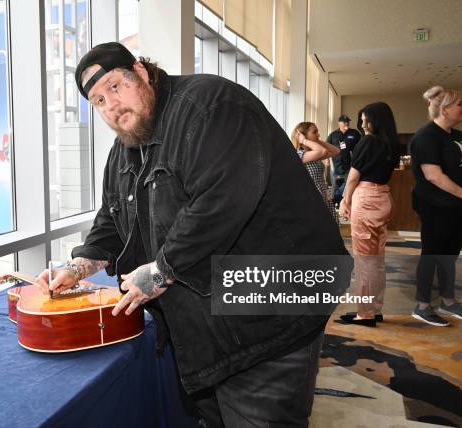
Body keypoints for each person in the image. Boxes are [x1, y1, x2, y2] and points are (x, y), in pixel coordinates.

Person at [35, 42, 349, 427]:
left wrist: (159, 271)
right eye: (99, 101)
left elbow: (221, 203)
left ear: (142, 72)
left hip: (270, 315)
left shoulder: (211, 106)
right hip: (208, 327)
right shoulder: (125, 149)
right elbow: (112, 218)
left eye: (116, 87)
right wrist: (78, 266)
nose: (111, 107)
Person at [338, 102, 399, 327]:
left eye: (366, 120)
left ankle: (365, 314)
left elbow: (353, 177)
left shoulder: (369, 141)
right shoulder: (392, 143)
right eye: (361, 120)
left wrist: (345, 200)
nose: (363, 125)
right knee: (377, 259)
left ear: (377, 121)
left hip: (367, 199)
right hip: (383, 197)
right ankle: (374, 309)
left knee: (365, 261)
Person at [409, 86, 462, 326]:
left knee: (449, 254)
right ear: (445, 108)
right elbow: (433, 176)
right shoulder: (426, 136)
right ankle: (422, 305)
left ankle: (448, 301)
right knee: (432, 252)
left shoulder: (455, 136)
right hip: (435, 204)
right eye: (459, 103)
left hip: (455, 205)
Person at [291, 122, 341, 223]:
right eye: (315, 132)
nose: (318, 134)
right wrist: (304, 140)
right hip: (310, 199)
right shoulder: (299, 154)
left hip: (321, 195)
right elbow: (322, 151)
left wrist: (317, 140)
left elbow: (336, 151)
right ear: (303, 135)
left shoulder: (313, 154)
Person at [327, 114, 362, 207]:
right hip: (336, 165)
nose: (346, 123)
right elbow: (326, 146)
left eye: (348, 121)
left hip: (350, 164)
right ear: (339, 123)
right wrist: (327, 160)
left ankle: (338, 199)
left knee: (347, 184)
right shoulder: (333, 135)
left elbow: (361, 146)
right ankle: (336, 204)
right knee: (336, 184)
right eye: (344, 122)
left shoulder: (354, 133)